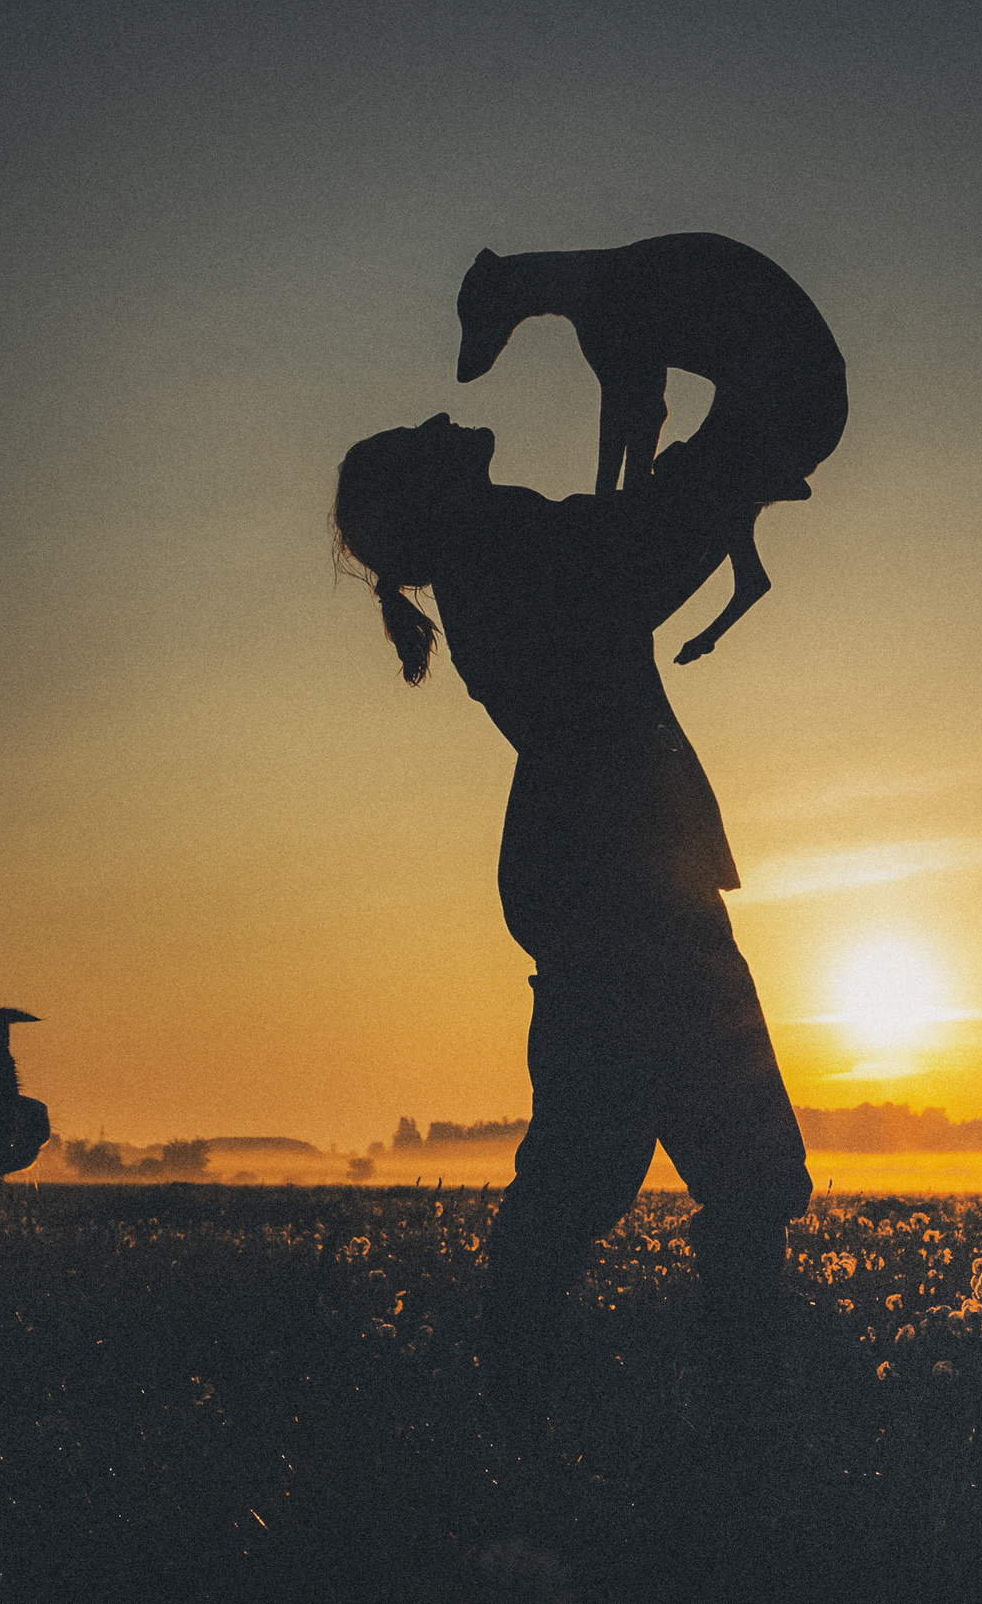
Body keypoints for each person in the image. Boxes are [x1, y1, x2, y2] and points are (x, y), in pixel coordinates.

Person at [332, 412, 813, 1428]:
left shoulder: (496, 550)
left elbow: (630, 551)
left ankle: (535, 1422)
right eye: (422, 434)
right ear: (429, 490)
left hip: (607, 891)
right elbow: (636, 562)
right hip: (630, 896)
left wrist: (714, 481)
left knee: (599, 1174)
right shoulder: (502, 549)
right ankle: (723, 1436)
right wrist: (725, 467)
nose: (443, 416)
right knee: (719, 1174)